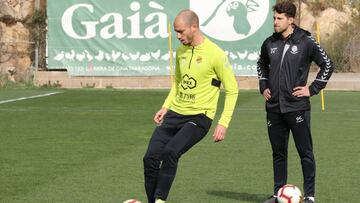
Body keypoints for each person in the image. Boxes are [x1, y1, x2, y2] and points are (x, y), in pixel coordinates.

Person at [143, 9, 239, 203]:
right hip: (174, 114)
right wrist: (166, 106)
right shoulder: (180, 52)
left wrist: (223, 122)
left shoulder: (216, 54)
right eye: (176, 32)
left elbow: (232, 89)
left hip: (199, 118)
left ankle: (160, 200)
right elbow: (177, 83)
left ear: (194, 27)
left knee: (171, 152)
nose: (178, 36)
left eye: (180, 31)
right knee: (150, 159)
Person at [257, 2, 334, 203]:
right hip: (274, 108)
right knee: (278, 153)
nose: (275, 22)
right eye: (274, 18)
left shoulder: (306, 41)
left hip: (297, 107)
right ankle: (278, 194)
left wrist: (313, 88)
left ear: (291, 20)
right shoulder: (269, 43)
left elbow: (327, 64)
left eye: (279, 18)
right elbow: (261, 64)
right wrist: (264, 84)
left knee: (305, 152)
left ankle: (309, 196)